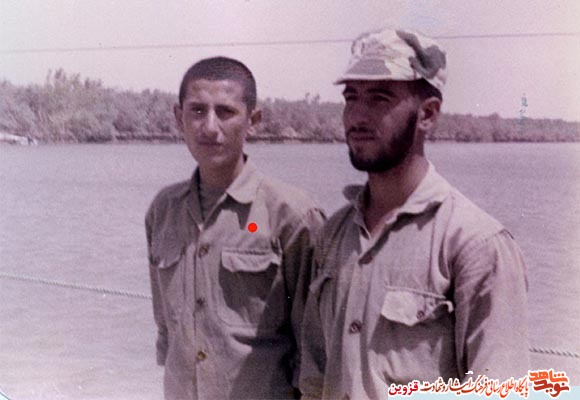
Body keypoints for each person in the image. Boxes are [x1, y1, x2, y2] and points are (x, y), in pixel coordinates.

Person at [299, 28, 530, 399]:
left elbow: (500, 391)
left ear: (428, 114)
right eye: (351, 97)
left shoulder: (475, 244)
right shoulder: (335, 234)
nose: (357, 116)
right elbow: (313, 379)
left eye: (379, 98)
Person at [145, 56, 325, 399]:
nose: (209, 127)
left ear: (253, 120)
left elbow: (316, 351)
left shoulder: (292, 214)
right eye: (197, 111)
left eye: (225, 112)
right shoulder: (163, 210)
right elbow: (167, 330)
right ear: (179, 118)